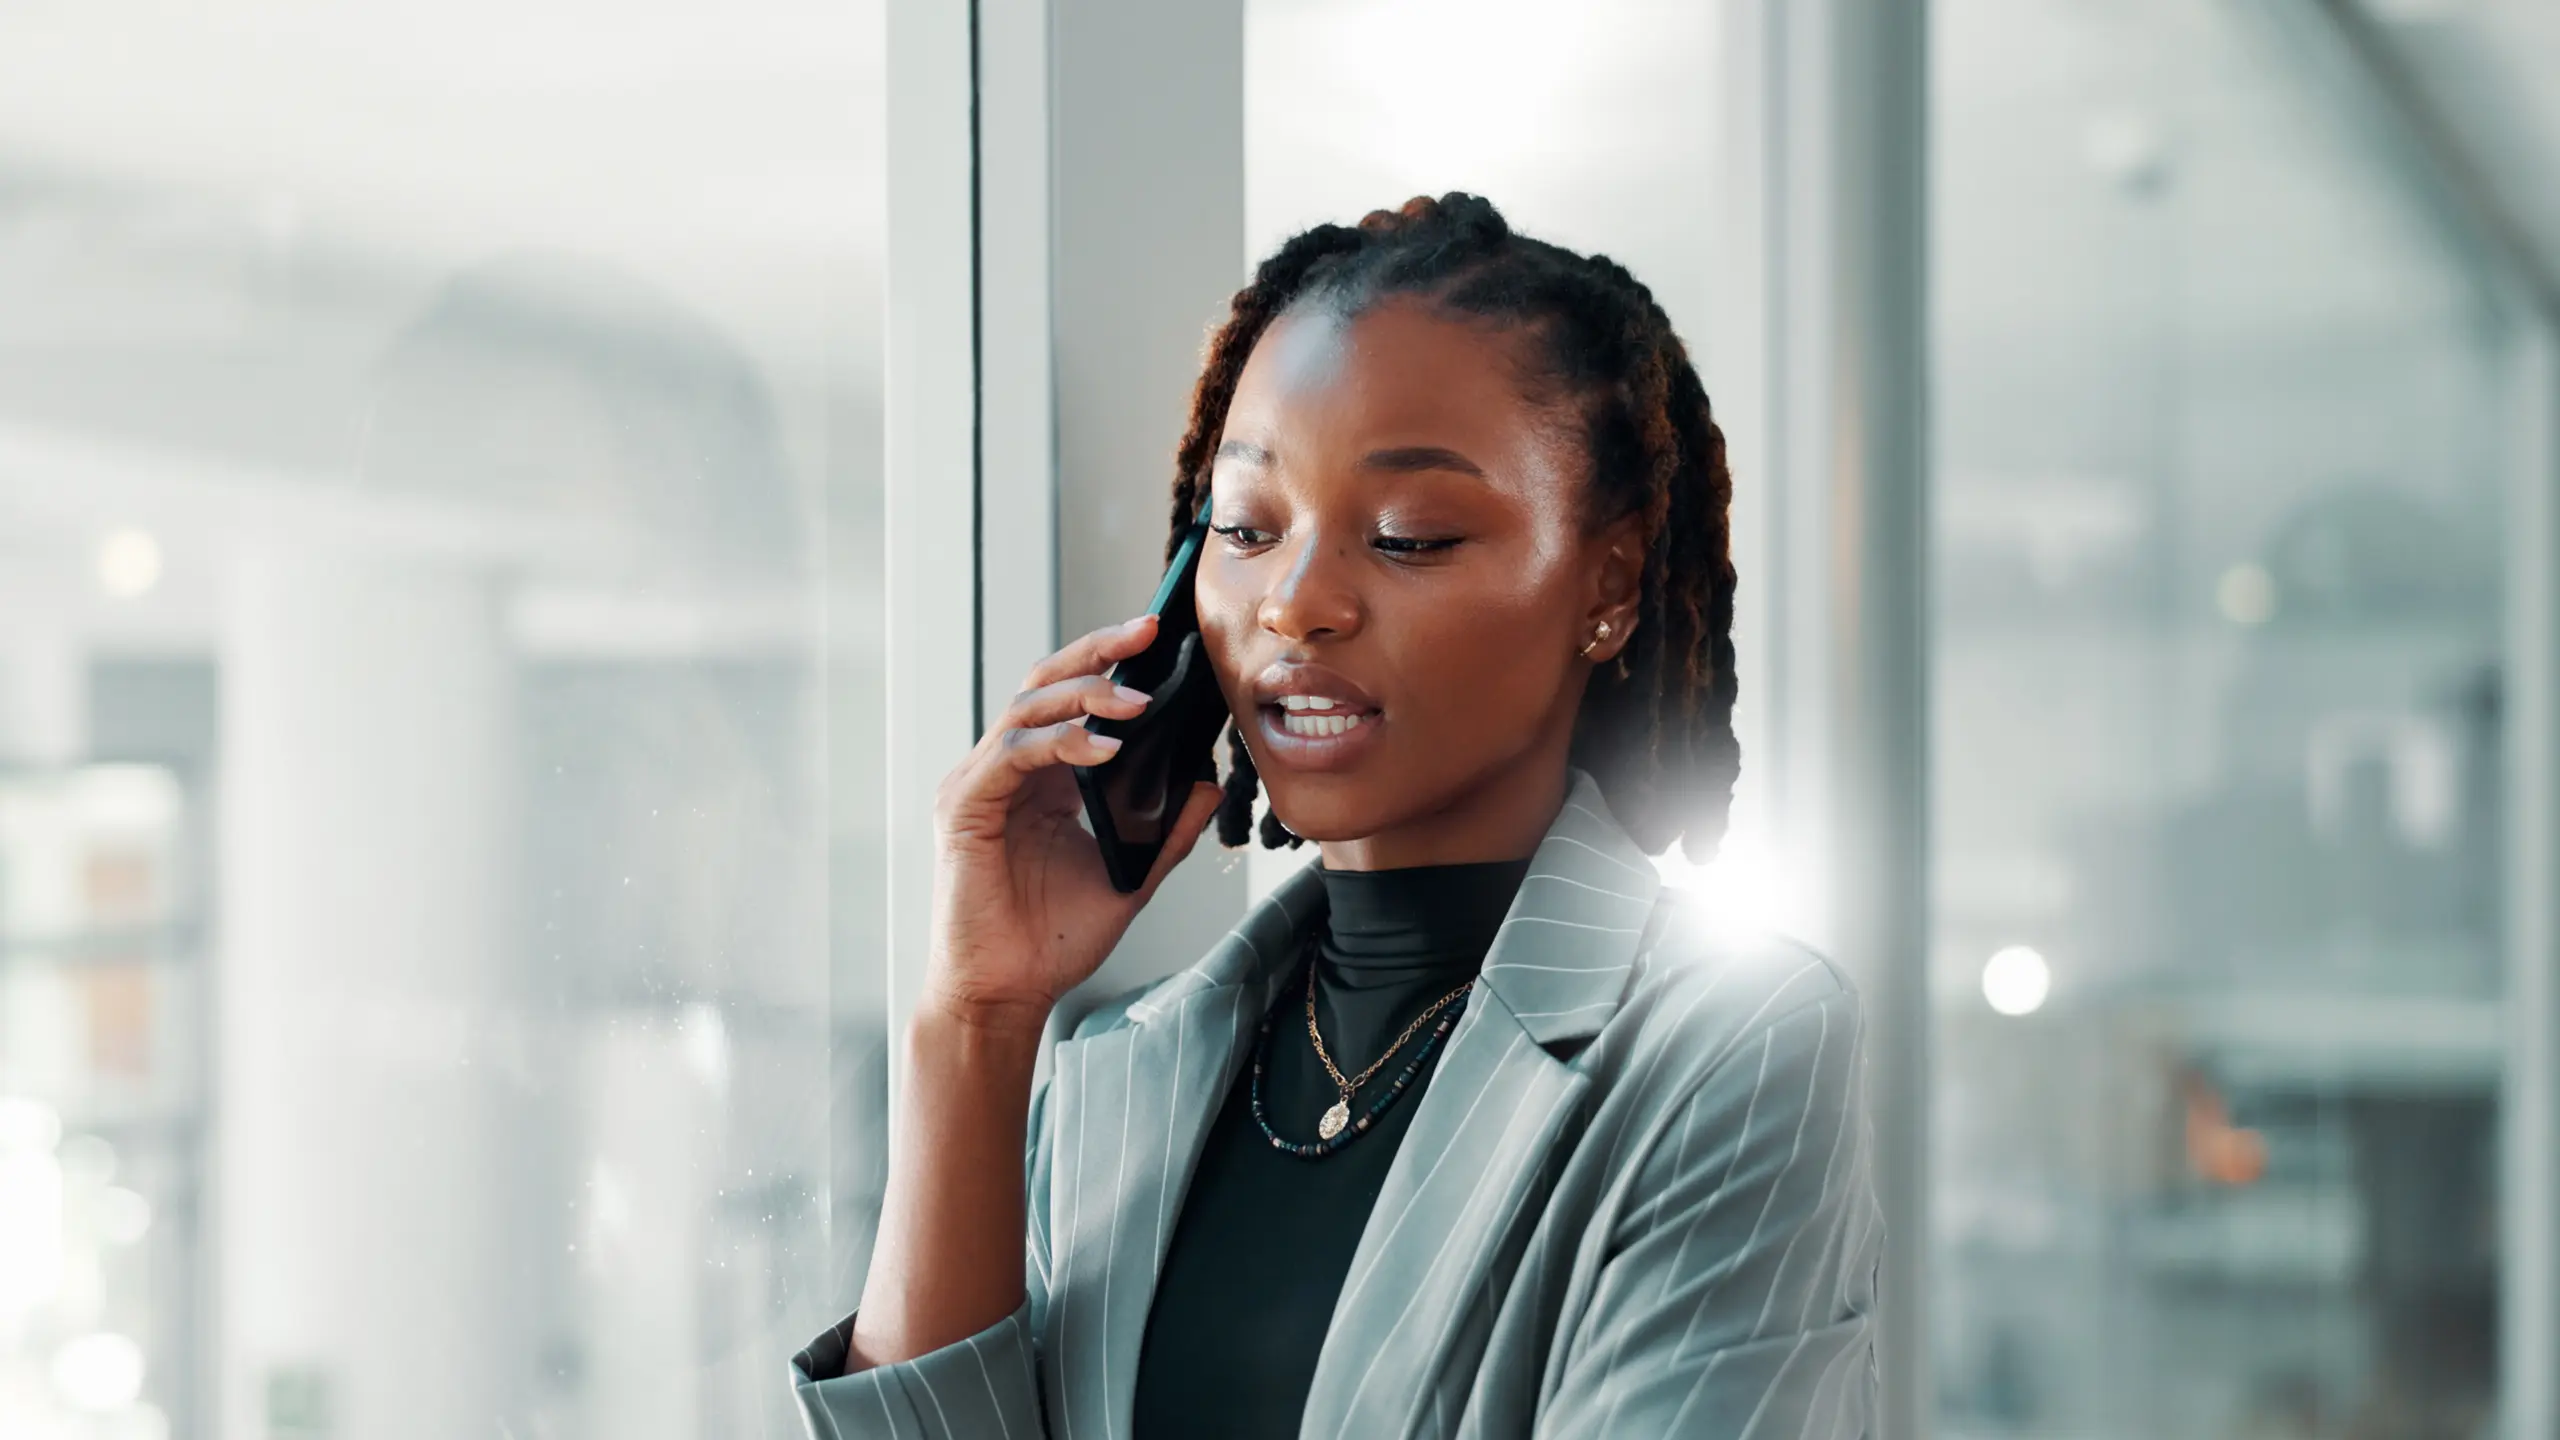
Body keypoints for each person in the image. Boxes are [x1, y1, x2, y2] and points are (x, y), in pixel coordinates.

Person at [791, 193, 1881, 1439]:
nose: (1295, 602)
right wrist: (976, 1021)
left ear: (1611, 583)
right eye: (1246, 528)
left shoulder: (1734, 1047)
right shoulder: (1116, 1072)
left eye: (1409, 537)